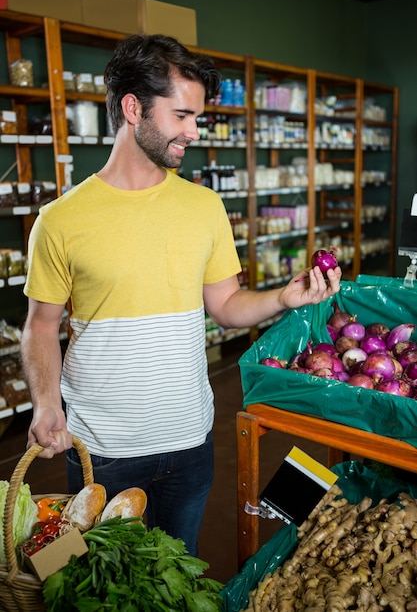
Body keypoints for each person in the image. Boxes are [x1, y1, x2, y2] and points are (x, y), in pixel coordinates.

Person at [20, 33, 341, 556]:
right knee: (105, 585)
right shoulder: (60, 220)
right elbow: (39, 326)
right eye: (182, 116)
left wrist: (284, 298)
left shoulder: (204, 207)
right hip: (104, 450)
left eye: (197, 118)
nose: (193, 132)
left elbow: (227, 306)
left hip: (190, 442)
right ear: (133, 108)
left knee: (176, 575)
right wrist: (44, 402)